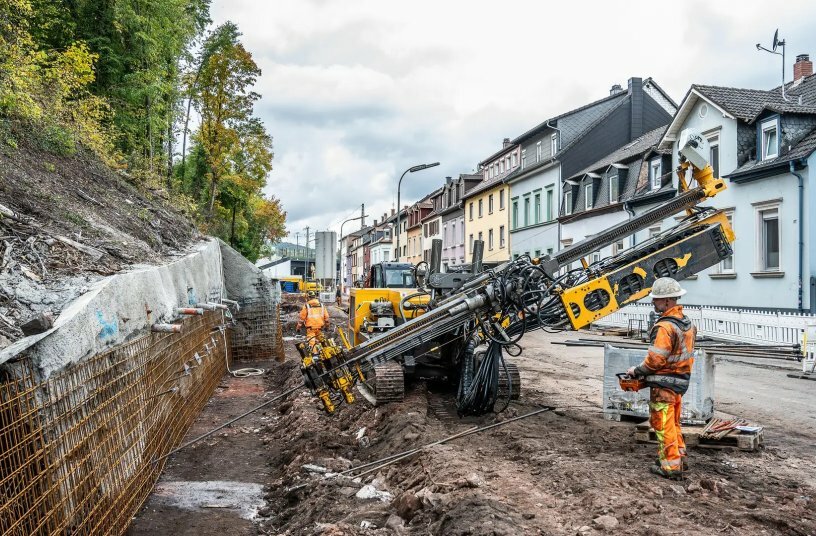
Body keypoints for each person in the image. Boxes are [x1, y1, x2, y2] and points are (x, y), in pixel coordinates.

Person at [627, 277, 696, 480]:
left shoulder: (665, 327)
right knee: (673, 423)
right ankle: (678, 457)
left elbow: (655, 361)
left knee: (662, 424)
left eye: (656, 299)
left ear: (667, 301)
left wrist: (637, 371)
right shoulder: (687, 323)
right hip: (680, 382)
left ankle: (670, 466)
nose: (653, 303)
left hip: (664, 385)